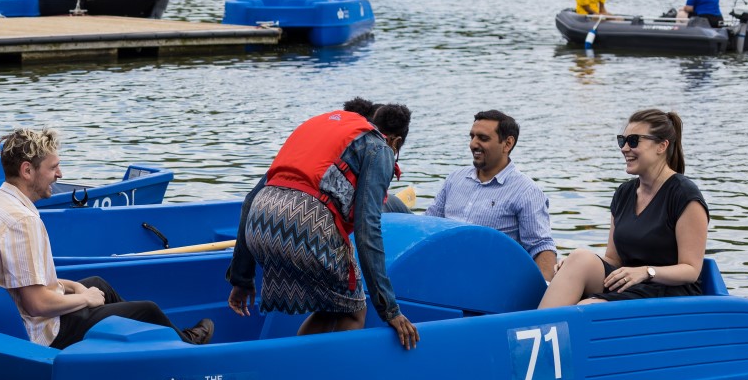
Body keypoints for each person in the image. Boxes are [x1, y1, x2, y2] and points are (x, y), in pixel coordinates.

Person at [0, 129, 213, 350]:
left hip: (6, 314)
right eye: (52, 167)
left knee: (96, 283)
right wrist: (85, 299)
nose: (60, 174)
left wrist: (73, 287)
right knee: (147, 310)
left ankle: (151, 337)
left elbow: (17, 281)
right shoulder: (23, 221)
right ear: (27, 170)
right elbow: (36, 304)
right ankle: (187, 347)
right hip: (38, 333)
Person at [227, 104, 419, 348]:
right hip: (307, 223)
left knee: (334, 306)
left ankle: (298, 371)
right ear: (396, 141)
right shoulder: (380, 147)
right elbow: (367, 229)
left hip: (260, 219)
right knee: (353, 309)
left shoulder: (318, 129)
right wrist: (389, 309)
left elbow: (248, 201)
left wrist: (241, 278)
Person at [539, 109, 708, 308]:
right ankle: (532, 328)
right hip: (629, 282)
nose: (625, 148)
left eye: (634, 141)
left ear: (662, 146)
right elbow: (613, 258)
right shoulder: (624, 193)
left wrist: (646, 271)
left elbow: (691, 270)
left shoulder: (684, 194)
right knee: (578, 259)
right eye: (622, 141)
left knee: (587, 307)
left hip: (670, 291)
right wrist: (571, 267)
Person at [424, 110, 557, 281]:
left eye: (483, 138)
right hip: (443, 271)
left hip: (490, 282)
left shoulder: (527, 192)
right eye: (472, 137)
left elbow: (541, 247)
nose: (473, 144)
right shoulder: (454, 179)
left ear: (507, 144)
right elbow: (428, 225)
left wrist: (543, 296)